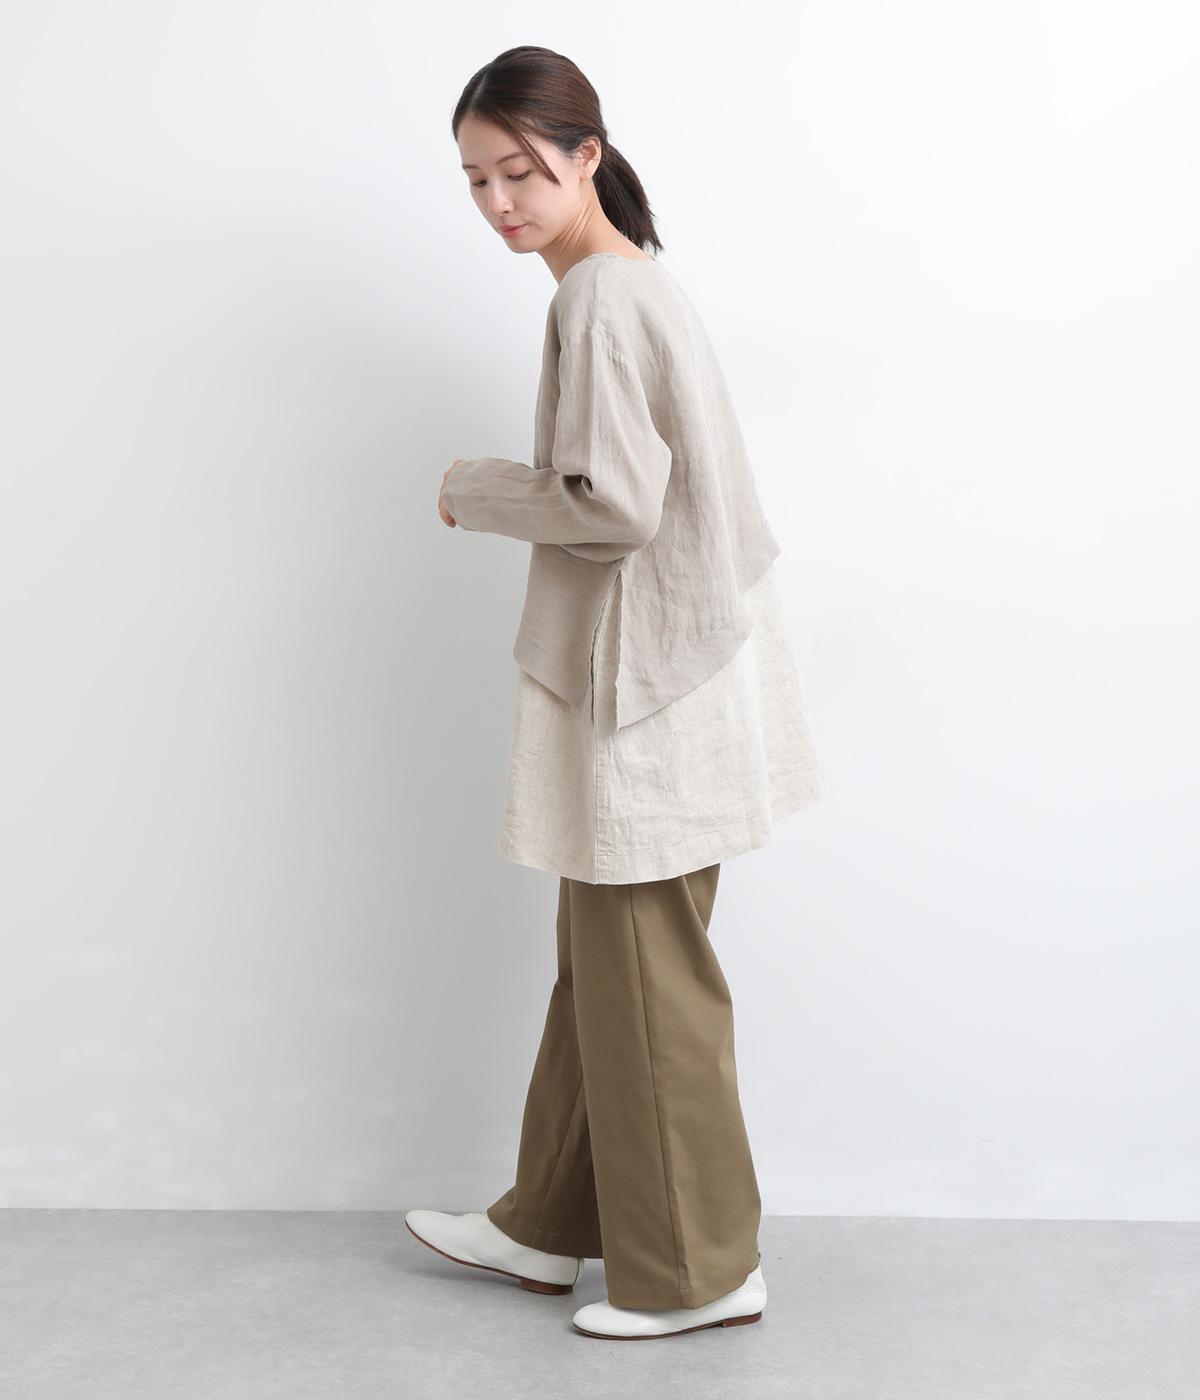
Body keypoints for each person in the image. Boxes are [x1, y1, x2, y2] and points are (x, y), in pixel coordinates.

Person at [405, 45, 827, 1341]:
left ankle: (699, 1271)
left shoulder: (598, 296)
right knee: (611, 969)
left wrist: (473, 490)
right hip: (683, 672)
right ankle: (547, 1223)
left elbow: (616, 507)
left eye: (521, 171)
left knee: (647, 979)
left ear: (587, 155)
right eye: (476, 180)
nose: (499, 203)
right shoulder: (637, 280)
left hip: (653, 690)